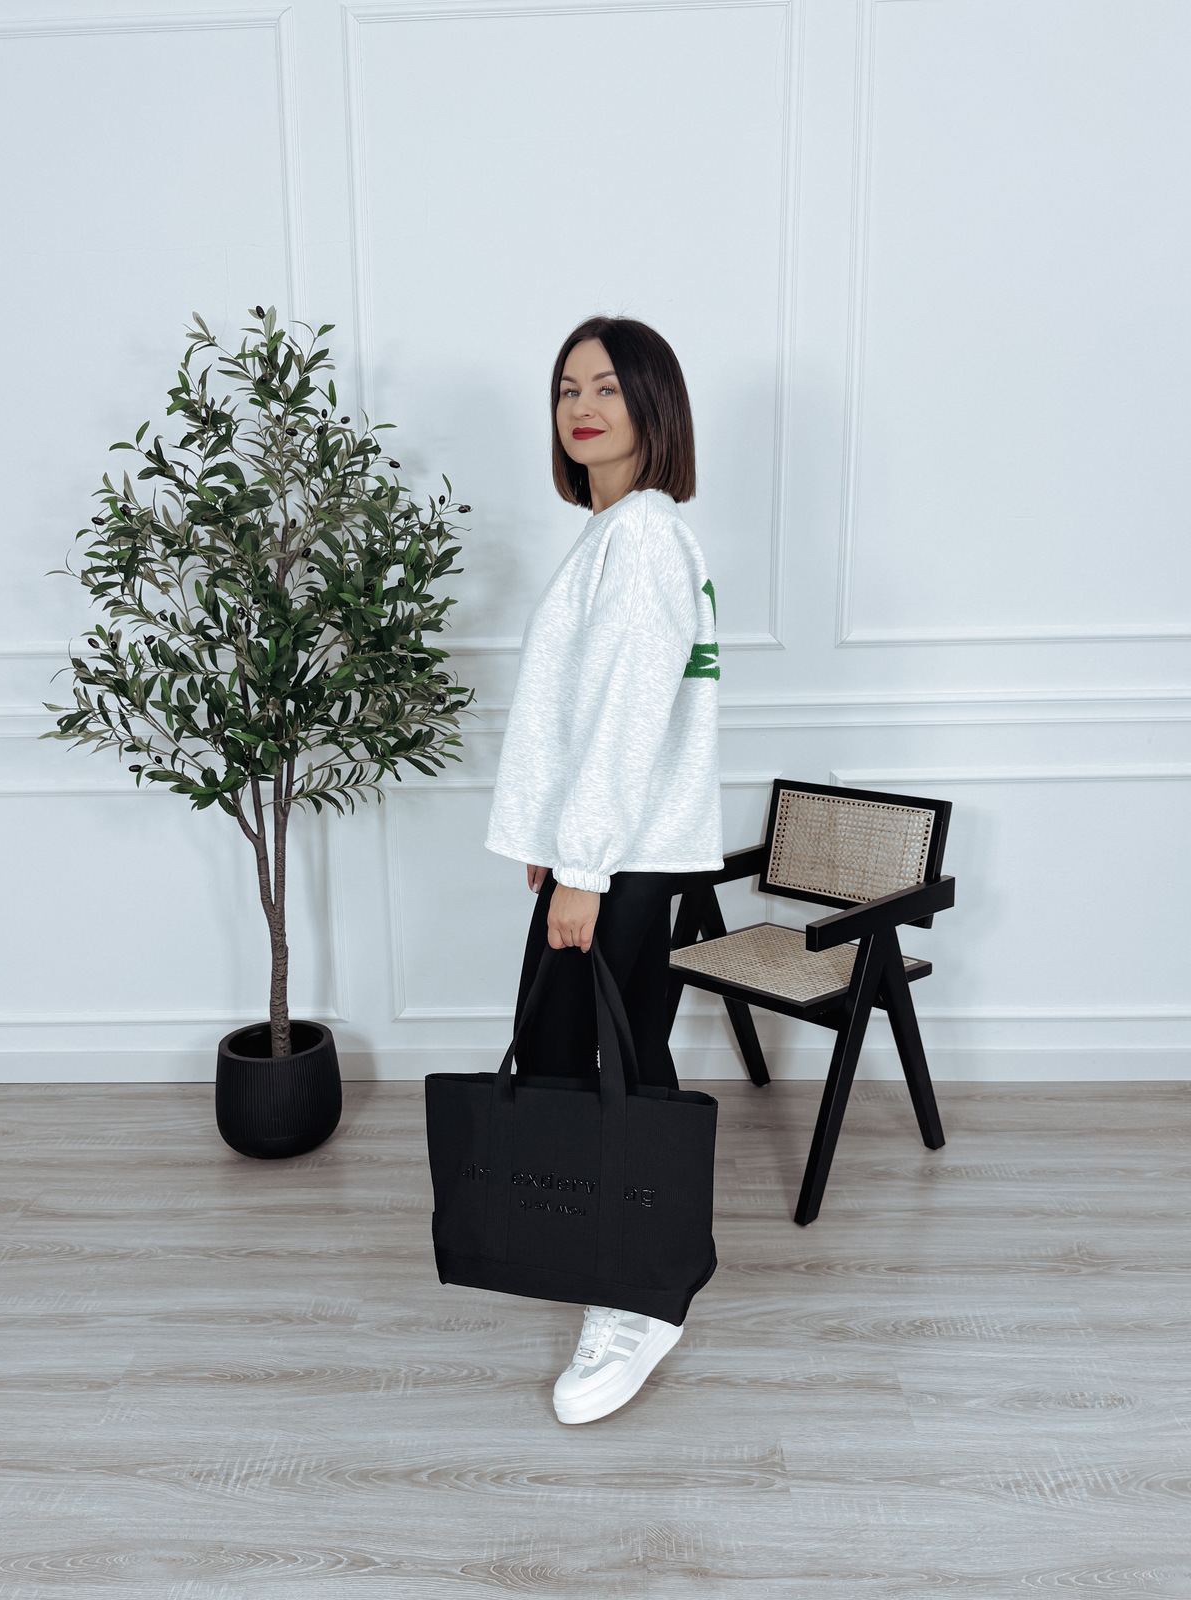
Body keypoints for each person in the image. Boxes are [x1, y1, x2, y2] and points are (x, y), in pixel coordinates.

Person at [484, 315, 723, 1424]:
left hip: (619, 859)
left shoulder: (645, 539)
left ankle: (643, 1298)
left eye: (608, 387)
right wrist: (554, 835)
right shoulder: (619, 533)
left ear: (652, 404)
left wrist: (584, 863)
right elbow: (582, 712)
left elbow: (629, 718)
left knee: (616, 1068)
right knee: (578, 1058)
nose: (581, 406)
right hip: (605, 851)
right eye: (567, 388)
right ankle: (619, 1257)